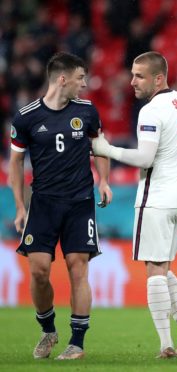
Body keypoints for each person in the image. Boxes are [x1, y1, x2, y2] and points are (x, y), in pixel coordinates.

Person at [91, 51, 177, 358]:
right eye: (132, 74)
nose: (132, 82)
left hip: (157, 198)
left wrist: (107, 149)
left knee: (154, 269)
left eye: (139, 76)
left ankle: (166, 346)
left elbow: (144, 158)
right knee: (164, 267)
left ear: (159, 78)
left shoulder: (152, 111)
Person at [9, 52, 113, 360]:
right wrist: (19, 206)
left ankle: (77, 343)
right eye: (81, 78)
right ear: (62, 79)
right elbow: (15, 162)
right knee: (39, 271)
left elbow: (101, 147)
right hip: (43, 204)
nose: (85, 84)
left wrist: (103, 181)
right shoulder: (26, 116)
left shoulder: (88, 111)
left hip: (80, 203)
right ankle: (48, 329)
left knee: (77, 267)